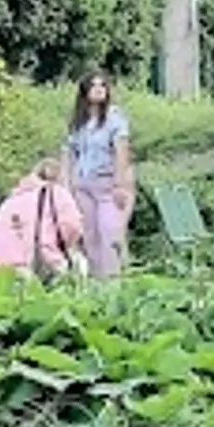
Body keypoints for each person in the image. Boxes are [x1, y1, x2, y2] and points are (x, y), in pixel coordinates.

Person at [63, 70, 135, 277]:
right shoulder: (79, 121)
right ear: (85, 92)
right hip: (83, 184)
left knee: (110, 232)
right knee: (90, 236)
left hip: (107, 184)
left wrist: (120, 184)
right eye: (94, 86)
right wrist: (66, 187)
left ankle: (114, 282)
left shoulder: (114, 117)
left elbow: (122, 150)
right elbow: (69, 154)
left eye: (102, 85)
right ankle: (97, 284)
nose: (99, 89)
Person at [0, 155, 88, 279]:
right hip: (36, 264)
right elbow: (73, 226)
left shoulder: (12, 199)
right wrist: (68, 245)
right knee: (80, 263)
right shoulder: (58, 194)